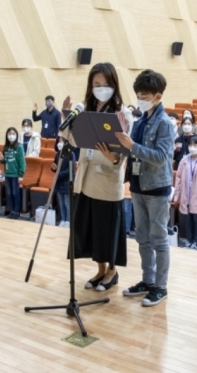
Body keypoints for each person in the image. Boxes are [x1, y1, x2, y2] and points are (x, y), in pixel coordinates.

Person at [61, 62, 132, 292]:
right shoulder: (86, 111)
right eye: (96, 84)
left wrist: (113, 157)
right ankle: (100, 270)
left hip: (107, 180)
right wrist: (65, 117)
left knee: (106, 230)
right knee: (92, 229)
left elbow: (124, 150)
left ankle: (112, 271)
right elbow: (74, 140)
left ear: (114, 85)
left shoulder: (122, 113)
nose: (101, 88)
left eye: (105, 84)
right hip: (86, 179)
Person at [116, 69, 174, 307]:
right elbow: (131, 150)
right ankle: (148, 281)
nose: (140, 99)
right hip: (138, 185)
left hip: (157, 187)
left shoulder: (165, 123)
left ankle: (160, 286)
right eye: (138, 95)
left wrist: (132, 146)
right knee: (142, 238)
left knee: (159, 239)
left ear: (158, 96)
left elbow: (160, 157)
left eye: (145, 95)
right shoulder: (139, 122)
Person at [172, 135, 197, 251]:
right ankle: (189, 240)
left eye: (195, 145)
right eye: (190, 145)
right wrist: (177, 194)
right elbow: (178, 177)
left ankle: (196, 242)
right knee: (188, 218)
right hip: (186, 193)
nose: (192, 147)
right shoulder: (184, 160)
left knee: (196, 218)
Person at [0, 127, 26, 219]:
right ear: (7, 135)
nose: (11, 136)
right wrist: (1, 159)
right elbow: (5, 161)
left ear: (16, 135)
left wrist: (21, 175)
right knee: (9, 193)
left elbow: (22, 162)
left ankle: (16, 212)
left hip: (15, 174)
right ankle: (11, 210)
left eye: (13, 134)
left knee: (15, 193)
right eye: (9, 134)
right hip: (7, 174)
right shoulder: (5, 147)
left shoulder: (19, 147)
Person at [51, 137, 75, 228]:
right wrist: (53, 168)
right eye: (59, 140)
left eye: (62, 141)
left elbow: (70, 170)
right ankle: (63, 220)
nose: (60, 142)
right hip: (59, 182)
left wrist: (58, 174)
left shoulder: (71, 154)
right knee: (61, 203)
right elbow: (55, 167)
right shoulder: (58, 154)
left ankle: (68, 221)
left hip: (67, 182)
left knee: (67, 203)